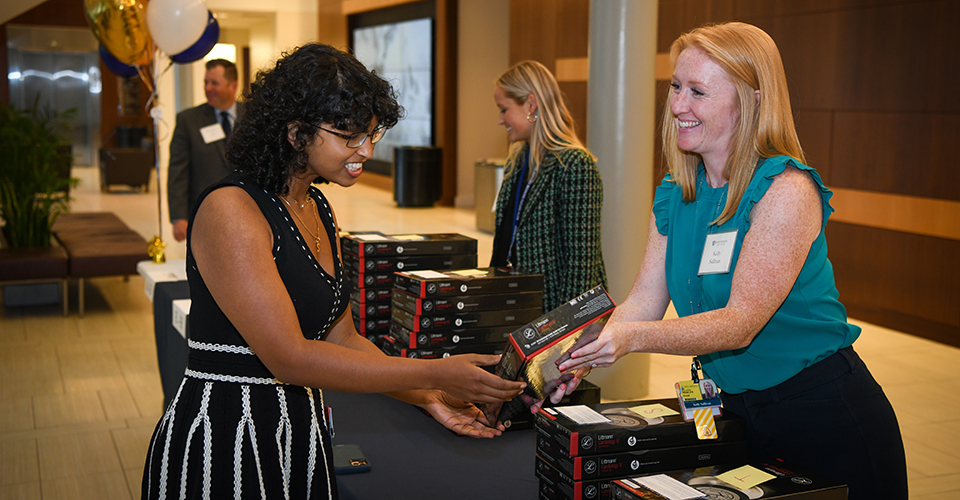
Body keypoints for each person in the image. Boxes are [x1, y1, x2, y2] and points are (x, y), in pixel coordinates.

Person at [142, 44, 525, 500]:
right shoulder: (232, 209)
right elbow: (289, 357)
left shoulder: (316, 205)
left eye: (371, 133)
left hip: (299, 429)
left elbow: (342, 339)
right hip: (228, 434)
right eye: (349, 136)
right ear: (296, 132)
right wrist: (437, 372)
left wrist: (427, 395)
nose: (366, 149)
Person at [554, 22, 908, 500]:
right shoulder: (677, 192)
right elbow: (643, 299)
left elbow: (739, 324)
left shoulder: (785, 190)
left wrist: (630, 338)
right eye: (676, 87)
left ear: (752, 100)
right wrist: (581, 357)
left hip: (820, 412)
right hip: (730, 411)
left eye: (698, 91)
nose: (678, 105)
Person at [490, 60, 606, 311]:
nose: (500, 120)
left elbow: (582, 265)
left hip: (555, 314)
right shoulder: (518, 160)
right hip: (519, 305)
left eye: (503, 109)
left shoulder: (575, 165)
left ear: (531, 104)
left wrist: (564, 331)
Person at [167, 58, 241, 242]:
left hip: (248, 210)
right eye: (205, 82)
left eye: (214, 83)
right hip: (205, 215)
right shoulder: (189, 121)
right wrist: (178, 217)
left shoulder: (254, 116)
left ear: (233, 85)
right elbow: (178, 170)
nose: (208, 88)